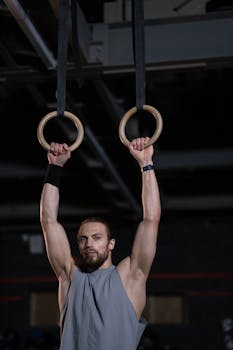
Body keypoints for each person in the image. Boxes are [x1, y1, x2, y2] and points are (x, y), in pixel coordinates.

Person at [40, 137, 161, 350]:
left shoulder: (130, 276)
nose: (89, 244)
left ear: (111, 244)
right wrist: (55, 167)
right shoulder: (70, 277)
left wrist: (146, 164)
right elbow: (48, 221)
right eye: (83, 239)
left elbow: (151, 219)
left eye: (97, 238)